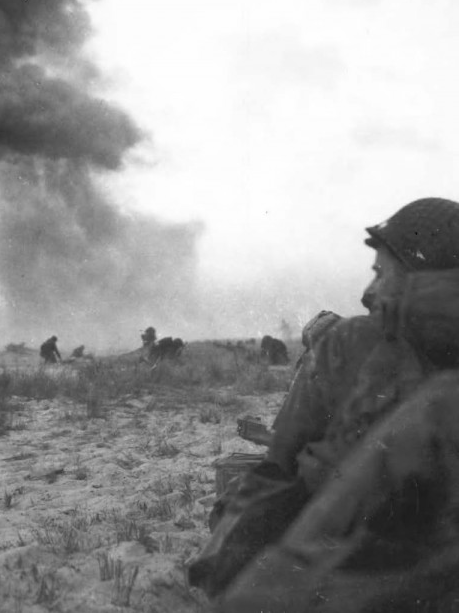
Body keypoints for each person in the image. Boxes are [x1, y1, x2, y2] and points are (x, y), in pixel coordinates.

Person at [189, 197, 459, 612]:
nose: (370, 291)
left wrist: (223, 569)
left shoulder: (351, 343)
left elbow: (279, 469)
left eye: (381, 272)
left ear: (415, 279)